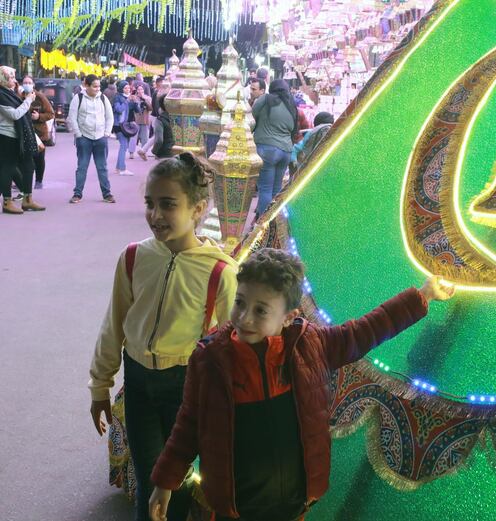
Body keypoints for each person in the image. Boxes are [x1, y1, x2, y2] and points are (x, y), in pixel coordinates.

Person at [148, 248, 454, 521]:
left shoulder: (311, 345)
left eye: (260, 310)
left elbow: (363, 332)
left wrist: (422, 296)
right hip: (235, 510)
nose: (244, 317)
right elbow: (187, 426)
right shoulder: (210, 361)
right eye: (240, 302)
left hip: (294, 507)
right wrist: (165, 482)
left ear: (288, 316)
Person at [88, 153, 239, 521]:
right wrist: (99, 386)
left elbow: (231, 349)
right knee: (151, 477)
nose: (155, 215)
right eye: (150, 204)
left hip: (185, 389)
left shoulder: (221, 271)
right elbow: (115, 324)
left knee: (178, 482)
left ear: (198, 208)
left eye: (168, 205)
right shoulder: (133, 257)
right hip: (138, 381)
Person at [0, 66, 45, 214]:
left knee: (28, 165)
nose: (14, 80)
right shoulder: (2, 94)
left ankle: (27, 198)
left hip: (20, 135)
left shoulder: (11, 93)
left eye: (13, 77)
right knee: (8, 167)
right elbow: (15, 114)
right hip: (7, 135)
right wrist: (27, 101)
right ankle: (7, 201)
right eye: (11, 77)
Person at [252, 79, 298, 217]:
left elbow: (251, 116)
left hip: (267, 149)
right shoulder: (291, 105)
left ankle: (263, 227)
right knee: (276, 190)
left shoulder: (266, 99)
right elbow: (294, 130)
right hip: (286, 152)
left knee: (265, 189)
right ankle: (275, 225)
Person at [67, 74, 115, 204]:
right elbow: (72, 117)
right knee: (82, 167)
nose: (97, 89)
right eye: (94, 86)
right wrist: (78, 134)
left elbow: (110, 117)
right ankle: (77, 194)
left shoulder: (103, 98)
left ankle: (107, 194)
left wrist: (107, 133)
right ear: (86, 85)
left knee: (102, 167)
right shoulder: (78, 98)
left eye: (99, 86)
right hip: (84, 138)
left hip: (100, 138)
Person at [20, 75, 54, 189]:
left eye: (29, 82)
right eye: (25, 82)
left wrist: (39, 116)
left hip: (39, 134)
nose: (27, 84)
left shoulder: (40, 97)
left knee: (39, 159)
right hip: (24, 133)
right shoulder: (19, 97)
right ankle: (22, 181)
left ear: (33, 84)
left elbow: (51, 114)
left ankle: (39, 180)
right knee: (24, 159)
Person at [112, 80, 139, 176]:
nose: (128, 90)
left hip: (127, 126)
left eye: (128, 88)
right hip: (119, 125)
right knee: (123, 146)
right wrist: (126, 101)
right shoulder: (117, 97)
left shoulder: (129, 97)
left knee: (124, 146)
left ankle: (118, 168)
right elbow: (119, 109)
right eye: (125, 88)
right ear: (121, 88)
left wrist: (135, 102)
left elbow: (137, 111)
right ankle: (122, 169)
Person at [129, 85, 152, 160]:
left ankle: (143, 152)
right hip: (135, 120)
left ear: (144, 90)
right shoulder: (133, 98)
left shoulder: (147, 98)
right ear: (137, 90)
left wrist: (145, 99)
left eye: (142, 89)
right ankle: (131, 153)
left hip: (145, 120)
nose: (140, 91)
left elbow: (151, 108)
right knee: (133, 137)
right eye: (138, 89)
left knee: (145, 138)